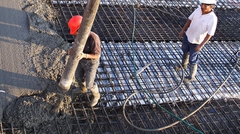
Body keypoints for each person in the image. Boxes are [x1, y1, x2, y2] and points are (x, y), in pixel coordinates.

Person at [176, 0, 218, 82]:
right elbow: (189, 20)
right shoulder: (198, 10)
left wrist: (201, 45)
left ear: (211, 6)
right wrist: (183, 30)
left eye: (205, 5)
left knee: (193, 59)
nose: (202, 7)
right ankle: (183, 65)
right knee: (185, 51)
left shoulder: (213, 18)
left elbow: (210, 34)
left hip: (197, 42)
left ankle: (191, 76)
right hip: (188, 36)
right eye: (202, 4)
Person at [68, 15, 101, 107]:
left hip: (91, 63)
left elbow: (97, 55)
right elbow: (77, 45)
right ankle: (82, 89)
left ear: (81, 29)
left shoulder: (93, 38)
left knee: (89, 84)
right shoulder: (79, 36)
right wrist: (72, 50)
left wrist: (85, 55)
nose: (73, 34)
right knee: (78, 77)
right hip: (81, 59)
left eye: (75, 32)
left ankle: (96, 96)